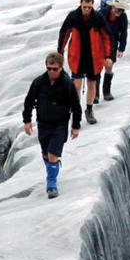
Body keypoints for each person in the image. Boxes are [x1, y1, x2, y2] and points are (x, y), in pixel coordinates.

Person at [22, 51, 83, 198]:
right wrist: (27, 120)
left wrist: (75, 126)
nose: (51, 72)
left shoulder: (67, 84)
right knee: (45, 154)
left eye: (54, 69)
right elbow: (29, 101)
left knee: (52, 154)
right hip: (43, 123)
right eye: (49, 68)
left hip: (60, 124)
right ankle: (53, 168)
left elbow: (76, 106)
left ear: (61, 68)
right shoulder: (39, 82)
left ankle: (51, 184)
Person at [56, 0, 111, 125]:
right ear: (81, 3)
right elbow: (64, 33)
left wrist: (108, 55)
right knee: (77, 84)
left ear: (92, 5)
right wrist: (60, 52)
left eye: (89, 7)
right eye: (84, 6)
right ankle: (76, 110)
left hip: (94, 57)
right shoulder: (73, 16)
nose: (86, 9)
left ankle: (89, 109)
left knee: (92, 83)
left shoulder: (98, 18)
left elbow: (107, 37)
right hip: (78, 56)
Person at [99, 0, 129, 101]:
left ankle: (106, 91)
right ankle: (95, 95)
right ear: (113, 7)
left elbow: (124, 33)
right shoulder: (101, 13)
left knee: (109, 65)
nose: (119, 12)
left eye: (122, 10)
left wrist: (121, 48)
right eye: (118, 9)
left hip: (112, 42)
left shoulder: (123, 17)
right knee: (97, 66)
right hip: (99, 41)